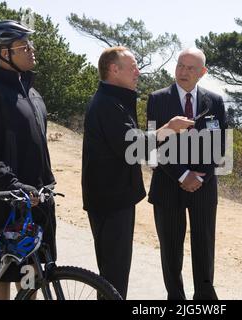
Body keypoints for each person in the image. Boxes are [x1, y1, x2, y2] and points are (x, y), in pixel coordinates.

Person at [81, 46, 193, 299]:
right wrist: (168, 129)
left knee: (115, 273)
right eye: (132, 67)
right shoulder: (108, 104)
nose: (138, 72)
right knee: (113, 275)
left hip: (115, 197)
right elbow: (132, 147)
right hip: (110, 200)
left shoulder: (115, 100)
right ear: (113, 69)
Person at [0, 20, 57, 300]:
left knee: (33, 278)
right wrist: (16, 186)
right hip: (6, 204)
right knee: (2, 279)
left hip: (39, 201)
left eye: (30, 45)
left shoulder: (30, 90)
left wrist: (46, 184)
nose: (31, 50)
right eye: (23, 46)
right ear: (3, 53)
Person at [147, 48, 227, 300]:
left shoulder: (214, 101)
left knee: (204, 247)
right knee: (171, 250)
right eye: (180, 65)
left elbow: (220, 145)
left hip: (204, 186)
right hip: (168, 185)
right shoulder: (157, 99)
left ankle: (204, 297)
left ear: (202, 73)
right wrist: (182, 176)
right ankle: (176, 298)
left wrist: (199, 176)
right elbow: (152, 145)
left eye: (190, 68)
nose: (183, 71)